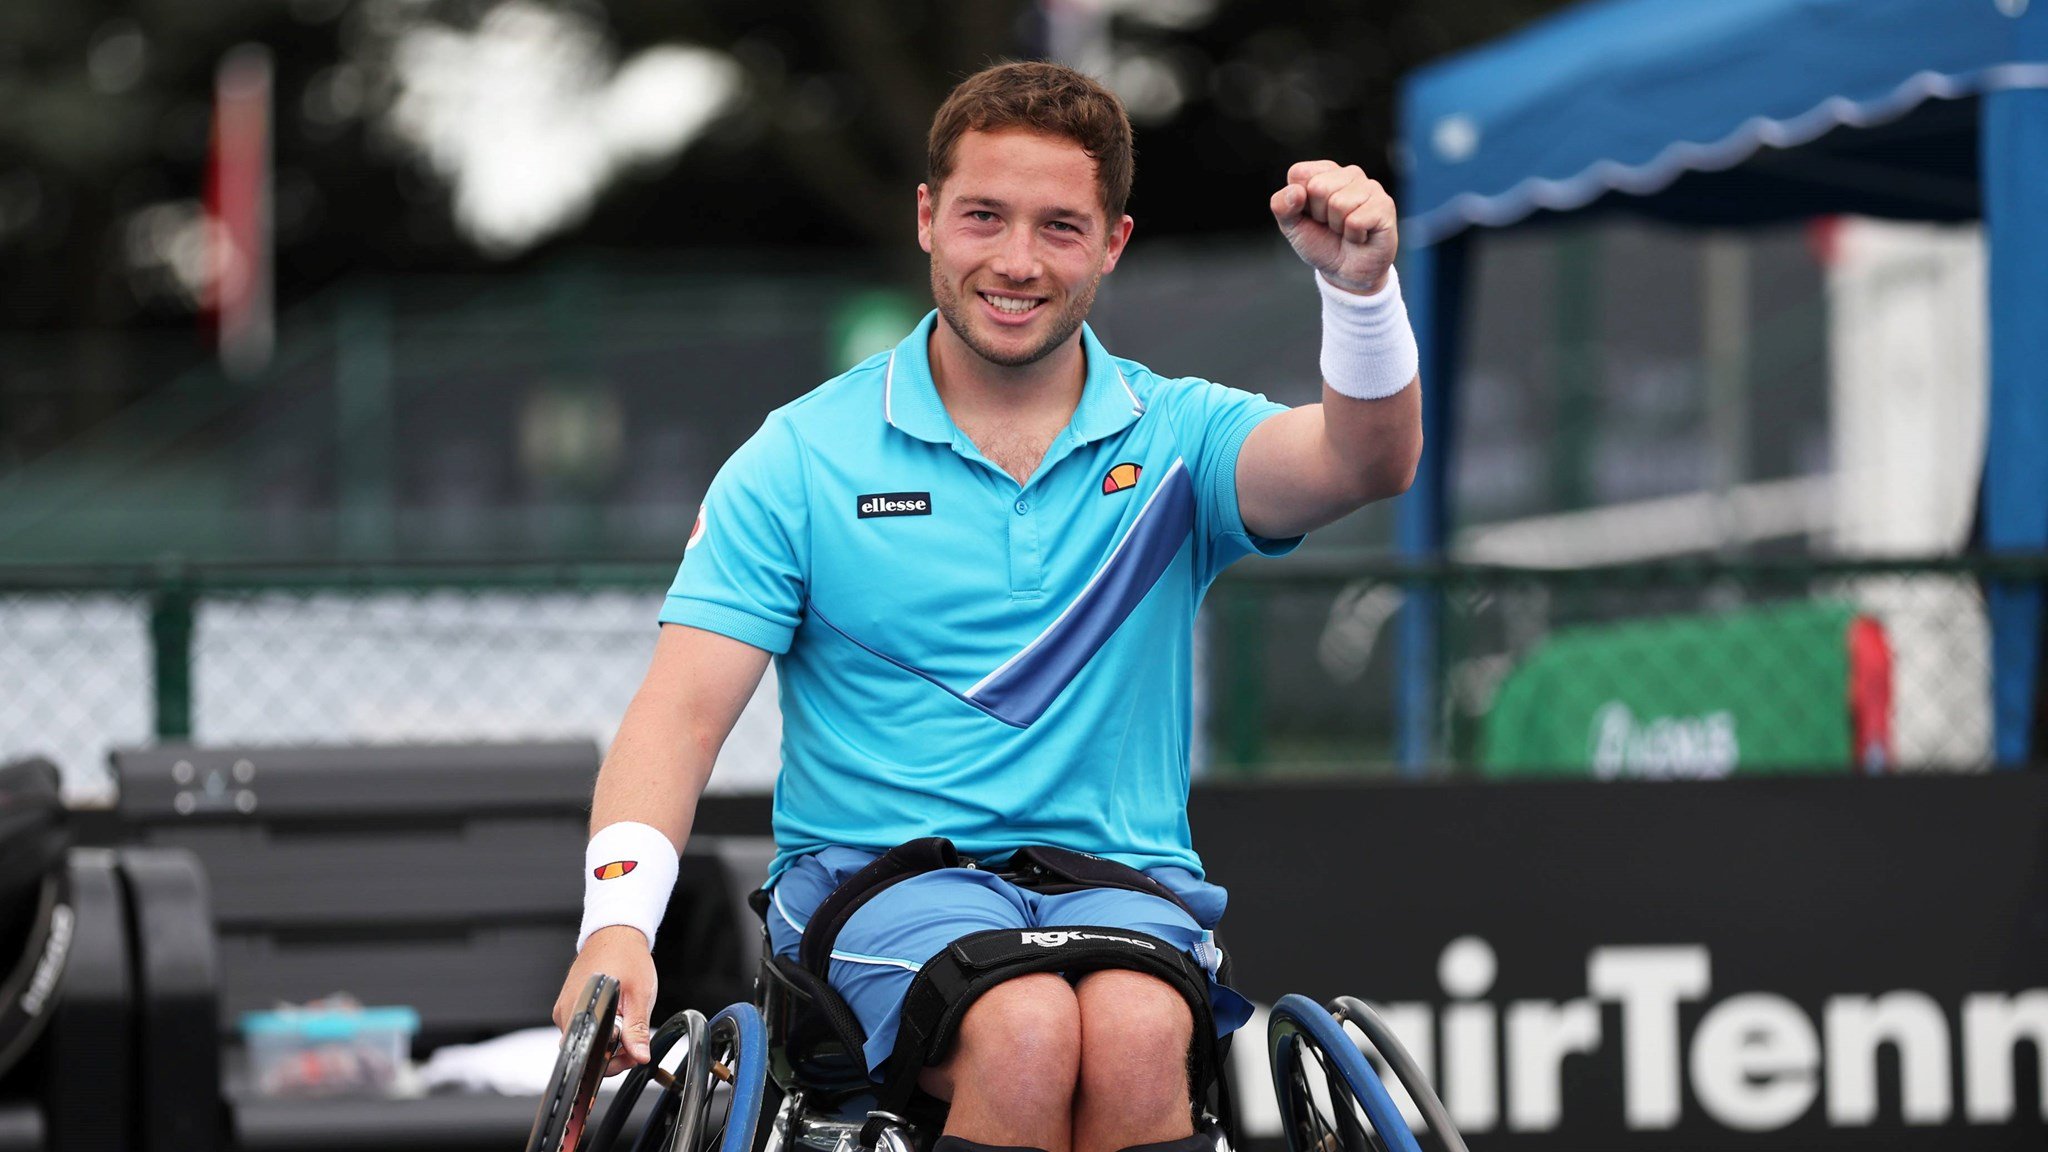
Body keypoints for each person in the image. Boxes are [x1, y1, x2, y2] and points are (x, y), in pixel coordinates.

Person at [553, 60, 1421, 1152]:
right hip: (876, 890)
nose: (1015, 261)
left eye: (1060, 227)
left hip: (1118, 890)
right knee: (1021, 1031)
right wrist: (614, 932)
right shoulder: (798, 458)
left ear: (1111, 244)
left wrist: (1358, 292)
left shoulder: (1178, 440)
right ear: (928, 220)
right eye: (982, 217)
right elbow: (676, 716)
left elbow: (1367, 459)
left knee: (1140, 1030)